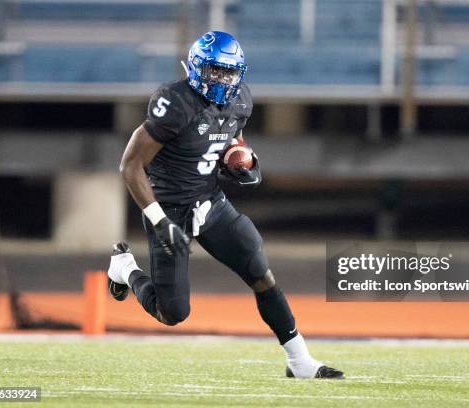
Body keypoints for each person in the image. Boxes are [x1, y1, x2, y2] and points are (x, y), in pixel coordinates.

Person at [107, 31, 343, 379]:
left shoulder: (240, 100)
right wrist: (159, 221)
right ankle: (124, 268)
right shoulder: (175, 102)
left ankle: (300, 361)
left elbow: (230, 140)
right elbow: (130, 165)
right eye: (216, 71)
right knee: (172, 313)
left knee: (260, 271)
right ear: (198, 68)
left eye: (230, 73)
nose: (223, 80)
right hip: (169, 208)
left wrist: (239, 159)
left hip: (209, 201)